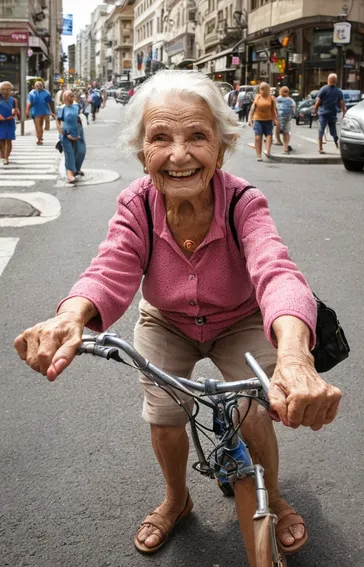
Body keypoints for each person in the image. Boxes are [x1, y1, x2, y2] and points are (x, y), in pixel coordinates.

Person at [14, 70, 341, 567]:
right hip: (166, 320)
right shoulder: (137, 203)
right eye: (160, 138)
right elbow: (114, 264)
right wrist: (74, 316)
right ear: (143, 151)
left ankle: (271, 496)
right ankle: (177, 498)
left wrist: (295, 357)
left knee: (254, 410)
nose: (179, 154)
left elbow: (275, 270)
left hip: (239, 318)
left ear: (222, 148)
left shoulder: (243, 201)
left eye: (197, 137)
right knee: (165, 414)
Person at [55, 90, 86, 184]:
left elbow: (80, 116)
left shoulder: (77, 106)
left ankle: (76, 169)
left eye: (72, 95)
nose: (71, 96)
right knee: (70, 154)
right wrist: (64, 133)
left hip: (78, 131)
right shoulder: (62, 108)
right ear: (64, 98)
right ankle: (69, 174)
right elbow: (59, 122)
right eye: (69, 95)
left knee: (81, 151)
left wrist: (80, 126)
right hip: (66, 133)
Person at [313, 74, 346, 154]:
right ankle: (337, 145)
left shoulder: (323, 89)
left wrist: (315, 111)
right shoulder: (338, 91)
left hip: (323, 113)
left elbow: (318, 102)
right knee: (333, 131)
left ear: (328, 80)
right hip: (332, 113)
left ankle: (320, 148)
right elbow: (341, 103)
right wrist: (344, 112)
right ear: (335, 81)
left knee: (321, 130)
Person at [248, 82, 278, 161]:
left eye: (264, 89)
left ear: (268, 90)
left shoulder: (271, 98)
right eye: (261, 89)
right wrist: (249, 119)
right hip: (258, 120)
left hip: (269, 120)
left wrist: (275, 119)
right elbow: (252, 108)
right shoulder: (258, 97)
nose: (262, 91)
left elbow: (273, 110)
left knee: (269, 135)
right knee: (258, 137)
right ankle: (259, 155)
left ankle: (267, 151)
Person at [26, 80, 54, 145]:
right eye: (37, 86)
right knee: (38, 126)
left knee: (41, 126)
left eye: (40, 85)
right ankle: (39, 139)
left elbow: (49, 103)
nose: (38, 87)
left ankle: (40, 136)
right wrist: (27, 110)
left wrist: (51, 112)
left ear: (42, 86)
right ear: (34, 86)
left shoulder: (46, 93)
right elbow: (29, 102)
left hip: (44, 111)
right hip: (35, 112)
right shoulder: (31, 93)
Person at [0, 81, 18, 165]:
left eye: (7, 89)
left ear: (10, 90)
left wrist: (13, 114)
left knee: (9, 141)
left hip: (10, 122)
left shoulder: (13, 100)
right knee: (1, 140)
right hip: (1, 122)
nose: (5, 91)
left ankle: (6, 157)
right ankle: (3, 154)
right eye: (3, 89)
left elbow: (15, 109)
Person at [275, 86, 296, 154]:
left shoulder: (277, 99)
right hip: (286, 119)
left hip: (280, 119)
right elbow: (294, 109)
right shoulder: (290, 100)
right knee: (286, 132)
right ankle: (285, 147)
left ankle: (284, 146)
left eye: (287, 91)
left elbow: (274, 108)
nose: (286, 93)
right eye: (285, 91)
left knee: (284, 132)